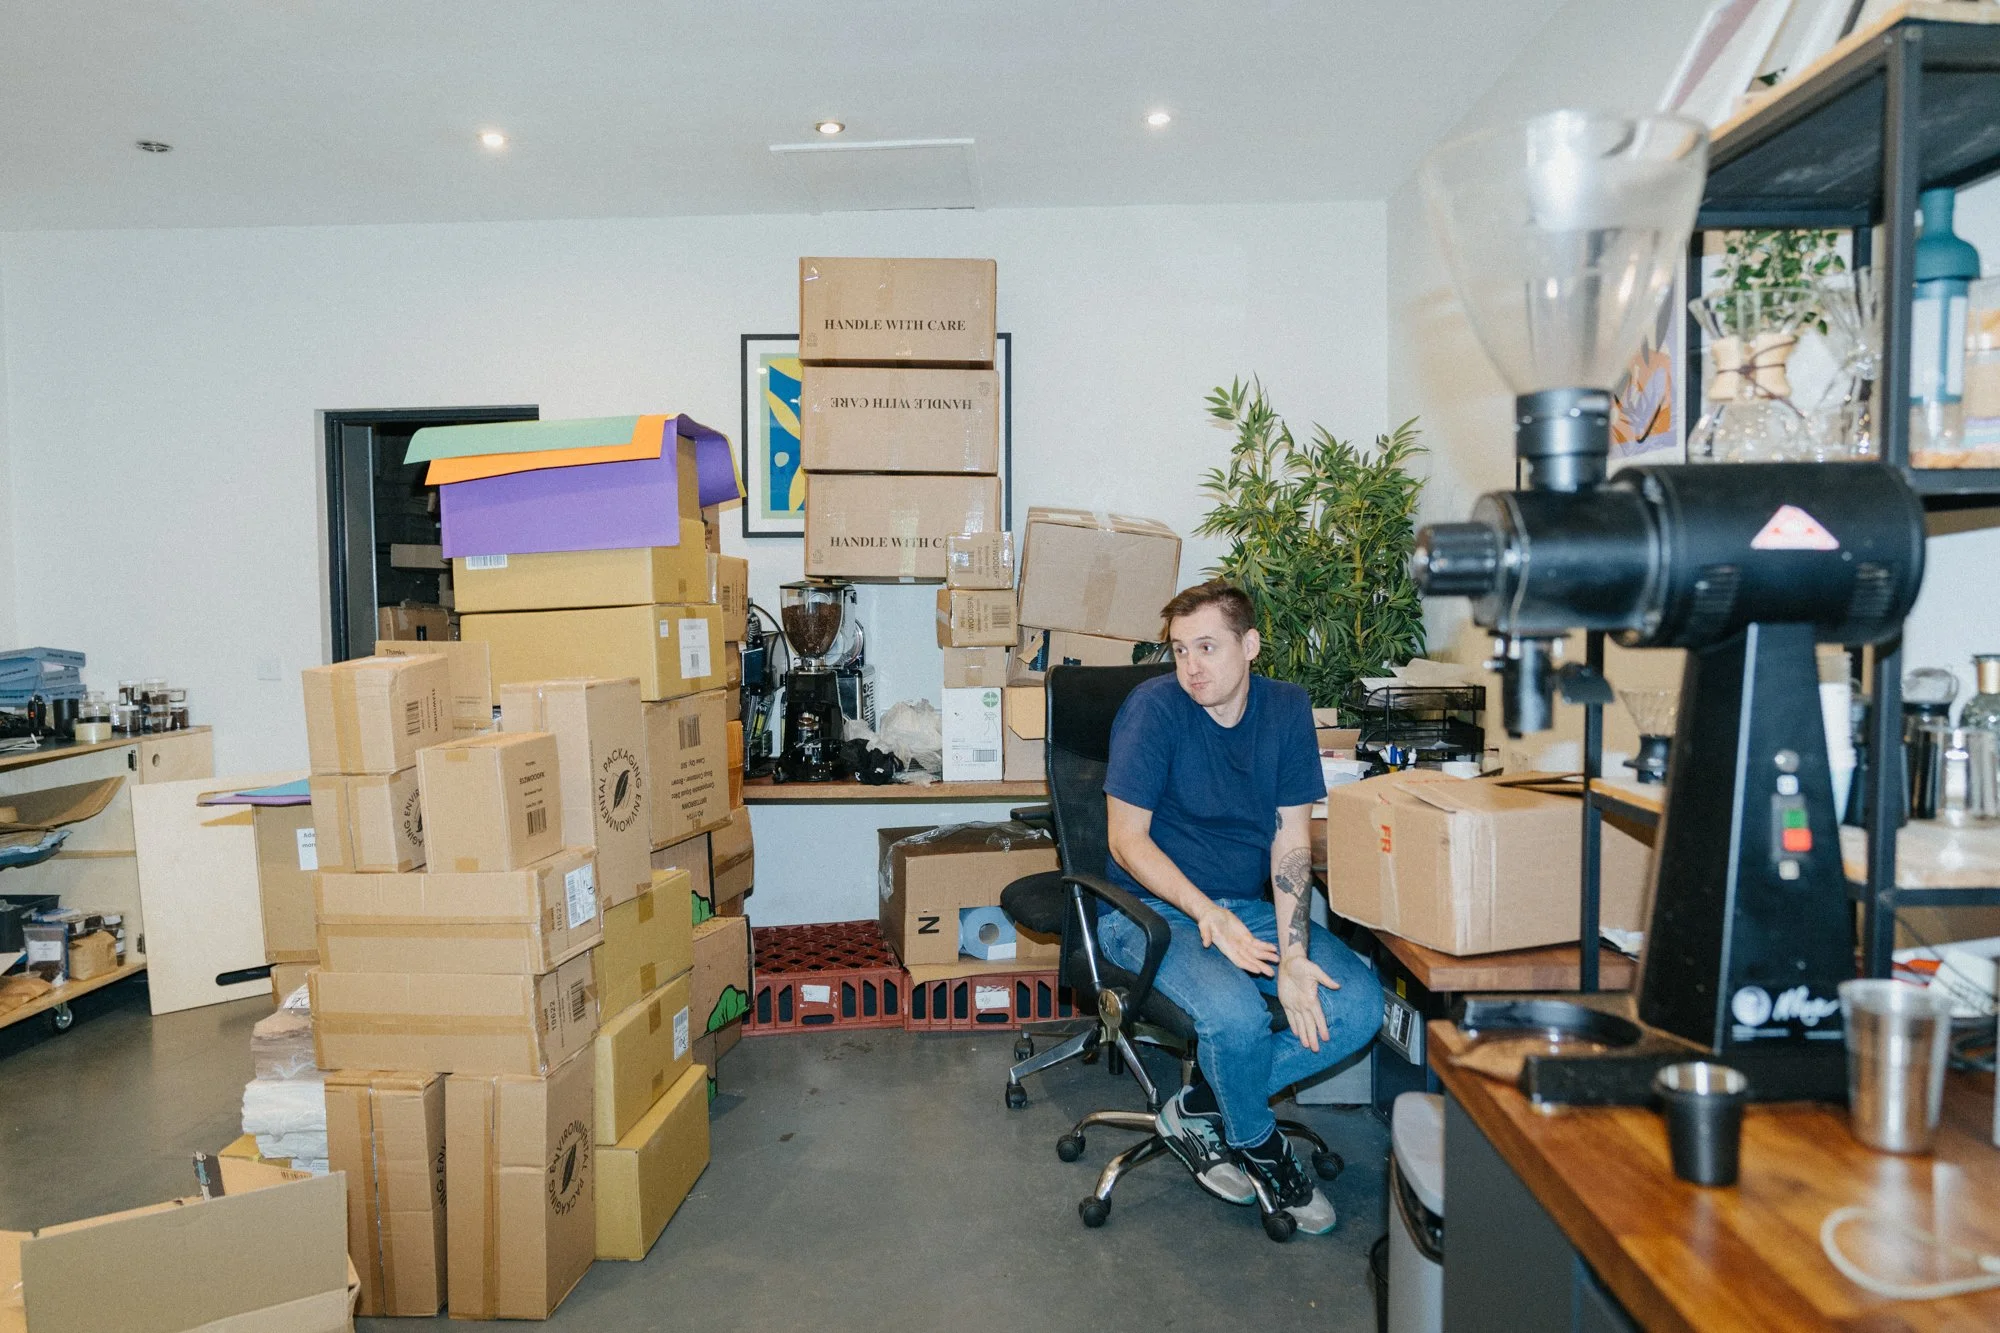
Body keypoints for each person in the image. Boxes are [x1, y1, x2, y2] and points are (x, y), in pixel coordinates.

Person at [1098, 579, 1380, 1234]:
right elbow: (1125, 839)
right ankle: (1260, 1143)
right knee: (1237, 1017)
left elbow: (1290, 841)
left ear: (1249, 645)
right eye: (1178, 650)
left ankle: (1202, 1107)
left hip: (1243, 907)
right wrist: (1206, 913)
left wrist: (1295, 952)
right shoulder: (1155, 709)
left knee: (1357, 1004)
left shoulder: (1285, 710)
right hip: (1147, 910)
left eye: (1207, 646)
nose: (1191, 666)